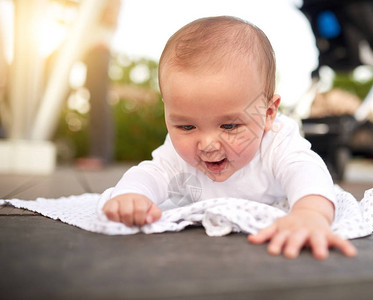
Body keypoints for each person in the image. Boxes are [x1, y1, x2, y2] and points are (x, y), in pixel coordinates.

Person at [103, 16, 357, 260]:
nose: (207, 144)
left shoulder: (277, 142)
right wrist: (132, 196)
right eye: (187, 126)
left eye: (229, 125)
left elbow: (306, 170)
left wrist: (310, 213)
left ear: (268, 113)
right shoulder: (176, 153)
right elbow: (151, 173)